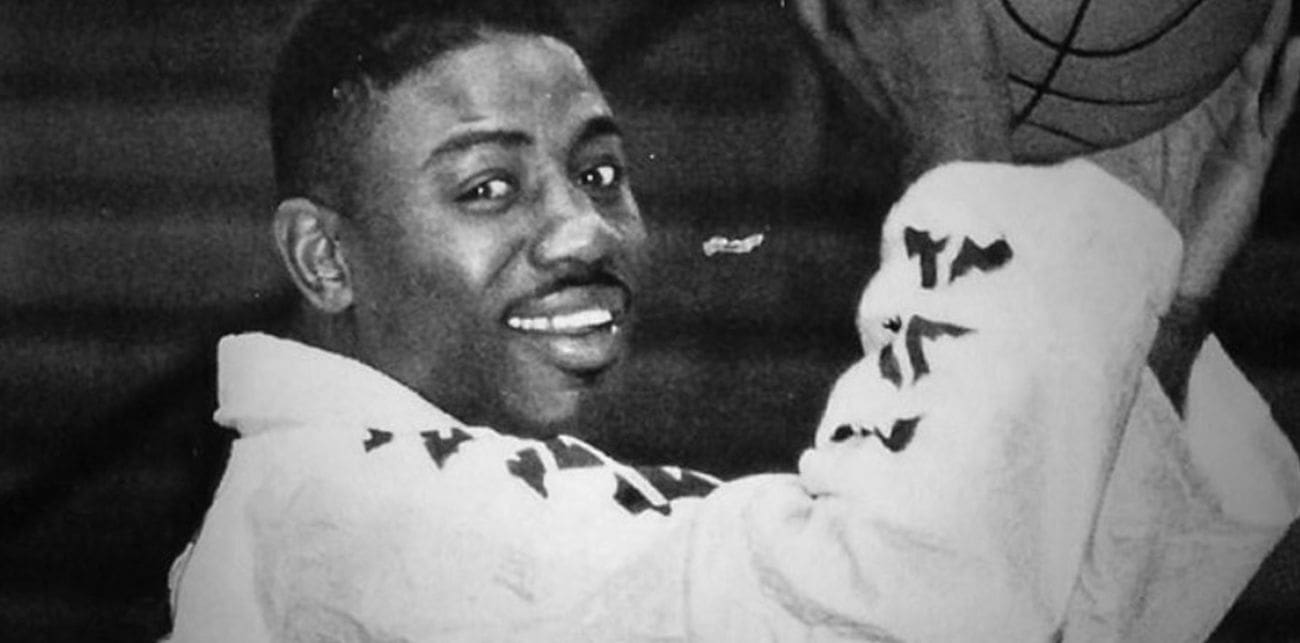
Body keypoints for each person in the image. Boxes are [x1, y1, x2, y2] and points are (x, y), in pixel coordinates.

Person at [165, 0, 1300, 640]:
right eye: (488, 188)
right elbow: (905, 608)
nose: (583, 232)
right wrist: (958, 140)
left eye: (600, 173)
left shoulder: (425, 503)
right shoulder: (336, 517)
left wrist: (1164, 315)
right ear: (324, 258)